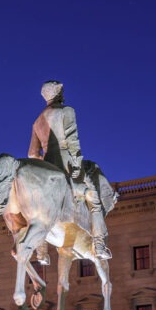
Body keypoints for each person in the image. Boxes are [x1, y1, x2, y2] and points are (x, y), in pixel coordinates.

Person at [27, 80, 112, 260]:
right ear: (57, 93)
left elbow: (33, 154)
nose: (63, 94)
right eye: (61, 91)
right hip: (67, 163)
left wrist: (46, 168)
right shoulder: (66, 111)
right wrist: (76, 164)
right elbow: (73, 140)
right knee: (94, 199)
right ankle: (99, 244)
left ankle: (41, 249)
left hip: (48, 164)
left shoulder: (37, 122)